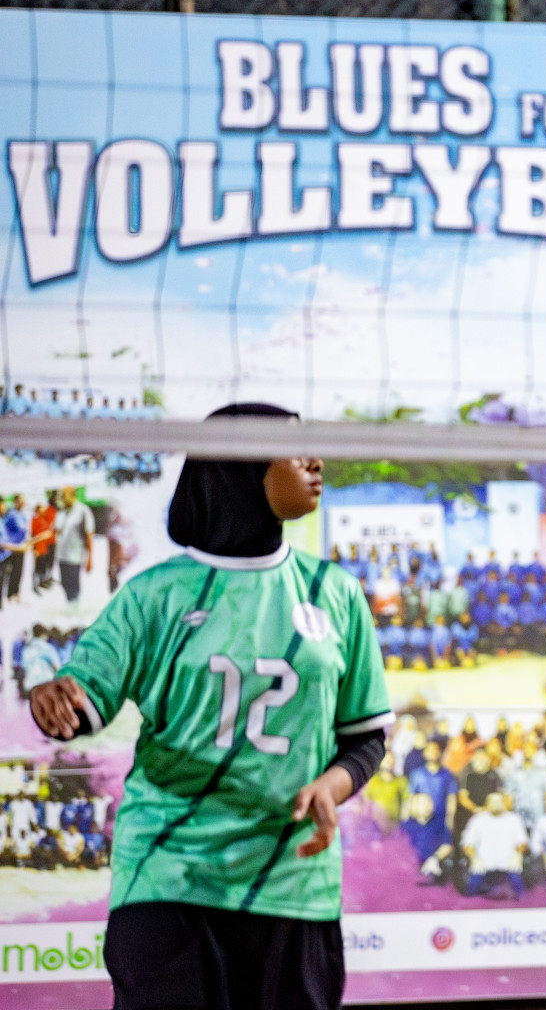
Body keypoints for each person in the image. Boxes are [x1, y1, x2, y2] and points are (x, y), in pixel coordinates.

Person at [26, 403, 393, 1010]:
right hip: (169, 877)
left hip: (290, 881)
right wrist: (53, 696)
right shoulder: (156, 594)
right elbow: (81, 699)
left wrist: (333, 783)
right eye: (295, 448)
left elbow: (365, 737)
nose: (316, 462)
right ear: (240, 462)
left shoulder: (335, 593)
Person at [461, 791, 528, 899]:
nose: (496, 804)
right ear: (487, 804)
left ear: (504, 803)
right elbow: (467, 844)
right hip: (483, 862)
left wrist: (517, 856)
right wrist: (474, 858)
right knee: (470, 892)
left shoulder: (514, 819)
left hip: (508, 861)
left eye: (499, 801)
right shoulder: (477, 820)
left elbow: (522, 842)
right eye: (492, 801)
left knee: (521, 894)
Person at [53, 486, 93, 604]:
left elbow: (89, 535)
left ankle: (74, 608)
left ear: (72, 495)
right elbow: (55, 531)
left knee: (73, 587)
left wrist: (90, 558)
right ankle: (70, 605)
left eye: (63, 496)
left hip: (75, 557)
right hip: (61, 556)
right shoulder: (61, 512)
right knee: (64, 584)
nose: (61, 499)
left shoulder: (83, 511)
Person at [0, 495, 30, 605]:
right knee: (11, 573)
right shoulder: (10, 515)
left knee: (18, 572)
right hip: (12, 549)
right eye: (20, 501)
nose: (23, 503)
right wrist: (12, 546)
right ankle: (10, 594)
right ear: (15, 502)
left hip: (20, 547)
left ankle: (15, 593)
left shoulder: (22, 515)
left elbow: (23, 531)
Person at [31, 493, 57, 593]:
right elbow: (33, 535)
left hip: (44, 547)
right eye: (41, 508)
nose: (43, 509)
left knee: (42, 566)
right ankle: (35, 586)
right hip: (38, 548)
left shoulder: (44, 519)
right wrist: (34, 549)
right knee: (36, 568)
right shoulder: (35, 520)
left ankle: (41, 582)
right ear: (37, 510)